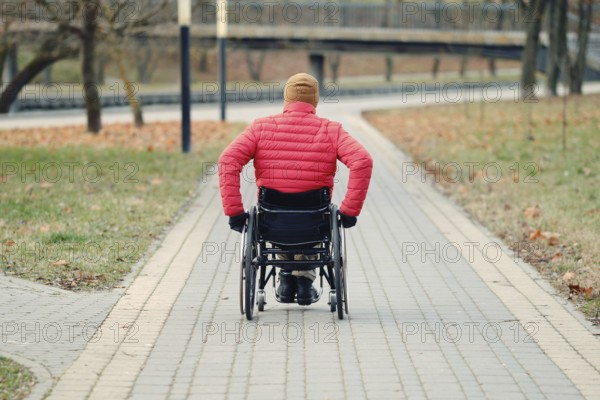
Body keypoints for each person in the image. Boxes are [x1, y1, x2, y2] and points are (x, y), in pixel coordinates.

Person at [218, 72, 373, 306]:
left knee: (277, 220)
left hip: (272, 217)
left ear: (286, 98)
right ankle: (304, 282)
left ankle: (287, 278)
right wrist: (350, 211)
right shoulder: (332, 130)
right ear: (315, 100)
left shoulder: (260, 127)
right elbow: (362, 161)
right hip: (314, 218)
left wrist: (235, 212)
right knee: (312, 222)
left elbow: (228, 160)